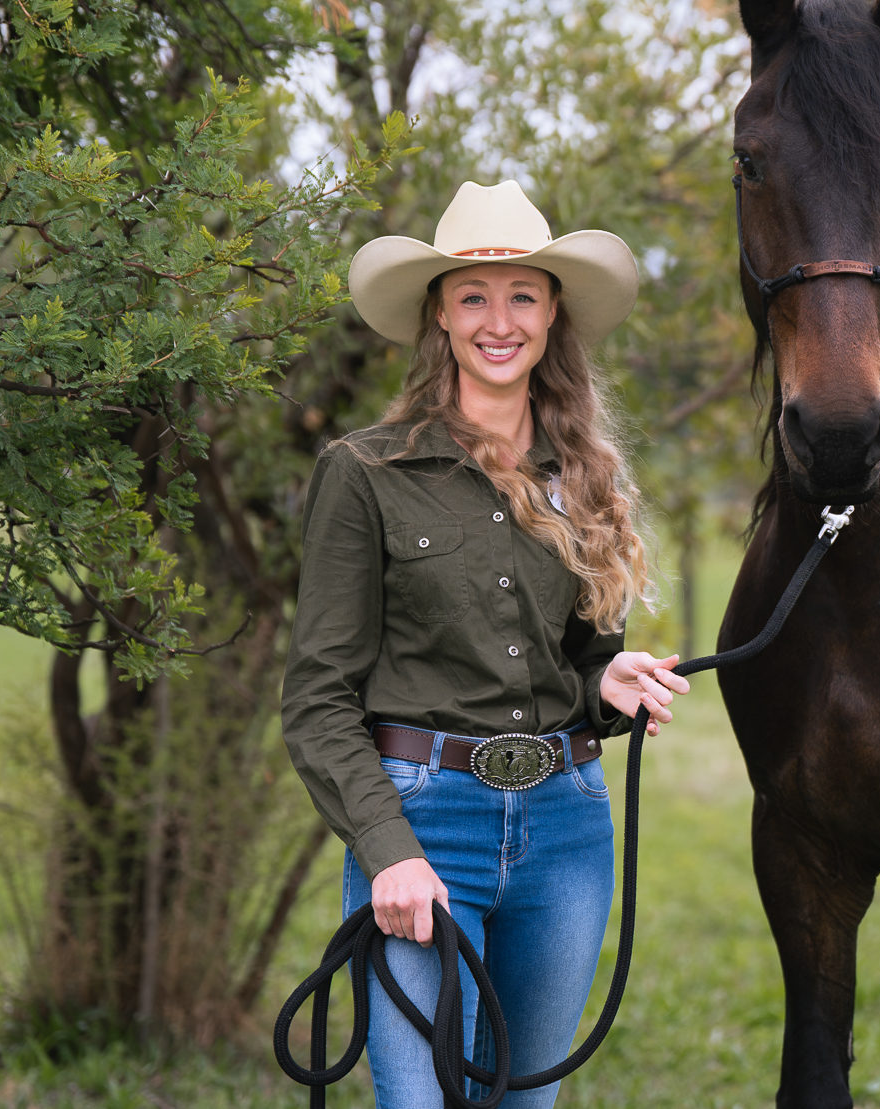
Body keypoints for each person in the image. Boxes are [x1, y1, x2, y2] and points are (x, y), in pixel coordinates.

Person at [282, 179, 689, 1108]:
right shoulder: (365, 473)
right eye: (472, 294)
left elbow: (582, 662)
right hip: (426, 824)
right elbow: (317, 699)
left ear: (552, 317)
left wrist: (610, 679)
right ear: (439, 316)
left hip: (566, 830)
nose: (497, 319)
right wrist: (388, 850)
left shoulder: (586, 475)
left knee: (523, 1100)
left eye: (521, 295)